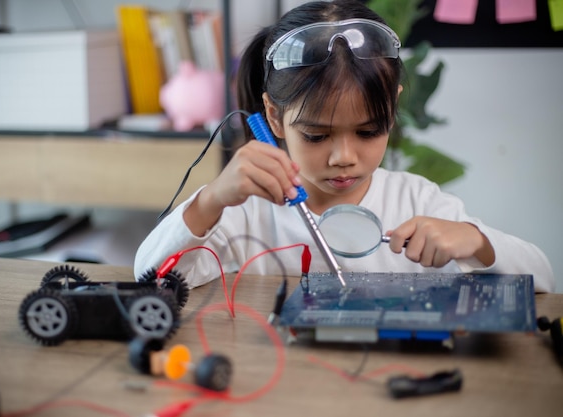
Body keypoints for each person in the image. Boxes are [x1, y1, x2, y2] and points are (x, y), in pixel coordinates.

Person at [134, 0, 554, 293]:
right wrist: (210, 202)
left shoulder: (417, 200)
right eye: (316, 136)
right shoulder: (244, 213)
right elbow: (147, 278)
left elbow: (543, 279)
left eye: (369, 132)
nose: (344, 157)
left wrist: (475, 242)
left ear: (391, 110)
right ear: (274, 117)